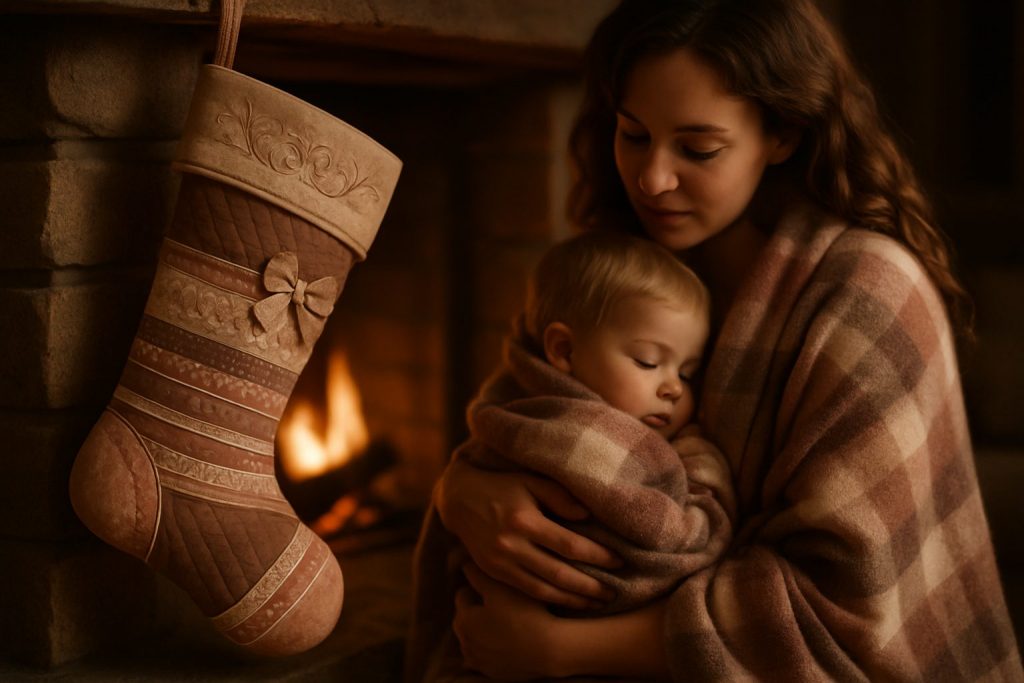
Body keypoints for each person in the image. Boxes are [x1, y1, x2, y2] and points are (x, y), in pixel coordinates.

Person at [427, 0, 1023, 681]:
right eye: (633, 134)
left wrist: (564, 651)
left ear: (784, 134)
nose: (653, 179)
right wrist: (461, 489)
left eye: (698, 148)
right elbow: (518, 414)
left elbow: (847, 606)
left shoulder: (872, 294)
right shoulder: (618, 272)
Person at [406, 230, 736, 681]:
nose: (673, 387)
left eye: (688, 372)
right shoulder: (555, 432)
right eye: (647, 361)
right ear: (563, 350)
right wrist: (705, 470)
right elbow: (677, 541)